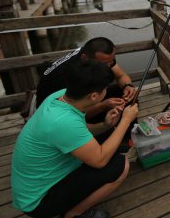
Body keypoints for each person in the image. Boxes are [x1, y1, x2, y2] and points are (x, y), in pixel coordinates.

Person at [12, 60, 139, 218]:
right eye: (105, 89)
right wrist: (126, 120)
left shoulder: (60, 96)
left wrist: (105, 125)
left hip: (36, 183)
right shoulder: (63, 122)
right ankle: (74, 214)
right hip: (39, 201)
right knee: (121, 165)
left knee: (109, 142)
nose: (106, 91)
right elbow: (99, 160)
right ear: (93, 95)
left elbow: (81, 130)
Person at [36, 37, 137, 123]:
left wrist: (127, 86)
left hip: (75, 101)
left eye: (111, 61)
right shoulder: (72, 74)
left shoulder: (96, 57)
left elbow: (121, 76)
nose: (109, 65)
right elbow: (73, 113)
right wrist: (102, 106)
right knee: (109, 115)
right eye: (104, 63)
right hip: (53, 113)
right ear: (85, 58)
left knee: (127, 97)